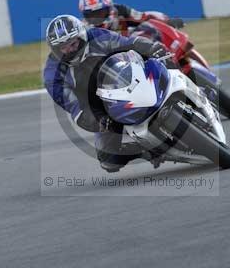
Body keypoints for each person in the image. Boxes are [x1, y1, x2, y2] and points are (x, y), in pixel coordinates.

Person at [43, 14, 169, 172]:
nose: (70, 50)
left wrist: (151, 48)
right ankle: (150, 151)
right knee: (109, 161)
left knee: (163, 65)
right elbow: (75, 107)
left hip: (130, 78)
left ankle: (200, 92)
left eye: (73, 43)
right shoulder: (53, 76)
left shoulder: (97, 36)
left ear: (82, 36)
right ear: (55, 50)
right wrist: (97, 120)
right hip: (103, 107)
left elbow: (128, 43)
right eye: (63, 47)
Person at [78, 0, 184, 36]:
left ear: (109, 8)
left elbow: (144, 17)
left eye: (99, 12)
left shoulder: (120, 11)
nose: (97, 17)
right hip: (108, 66)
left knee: (147, 31)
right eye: (92, 14)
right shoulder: (82, 30)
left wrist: (167, 22)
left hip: (132, 52)